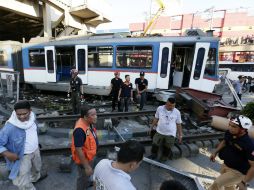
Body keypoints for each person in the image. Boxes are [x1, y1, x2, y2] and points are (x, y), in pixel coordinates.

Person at [0, 100, 44, 190]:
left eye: (25, 113)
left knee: (37, 168)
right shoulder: (9, 127)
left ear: (30, 111)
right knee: (23, 181)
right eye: (19, 114)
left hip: (35, 150)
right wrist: (7, 154)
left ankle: (33, 178)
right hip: (23, 156)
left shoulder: (33, 117)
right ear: (15, 113)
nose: (22, 116)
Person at [209, 115, 254, 190]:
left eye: (233, 126)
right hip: (226, 165)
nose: (230, 128)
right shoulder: (230, 133)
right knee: (228, 186)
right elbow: (224, 142)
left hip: (238, 172)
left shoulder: (249, 144)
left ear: (243, 129)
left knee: (217, 183)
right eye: (229, 125)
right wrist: (215, 152)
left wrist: (244, 181)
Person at [71, 105, 98, 190]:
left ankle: (86, 182)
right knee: (82, 178)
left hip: (90, 157)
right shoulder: (79, 130)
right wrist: (86, 166)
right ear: (85, 117)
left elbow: (88, 137)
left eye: (96, 114)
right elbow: (78, 150)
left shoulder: (88, 123)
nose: (96, 117)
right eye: (92, 115)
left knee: (86, 176)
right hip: (85, 160)